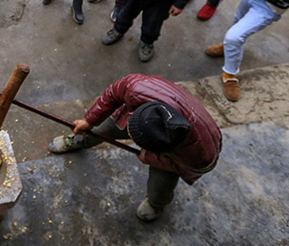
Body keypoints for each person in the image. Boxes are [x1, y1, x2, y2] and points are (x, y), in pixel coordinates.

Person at [47, 74, 222, 222]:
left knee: (160, 186)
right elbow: (113, 93)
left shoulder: (201, 154)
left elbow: (186, 169)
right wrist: (89, 120)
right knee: (100, 129)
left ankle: (156, 204)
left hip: (175, 154)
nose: (128, 135)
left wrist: (151, 158)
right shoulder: (138, 89)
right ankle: (78, 141)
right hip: (140, 118)